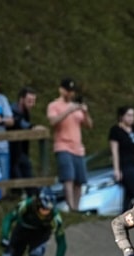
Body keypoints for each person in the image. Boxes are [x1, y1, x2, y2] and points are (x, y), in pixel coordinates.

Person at [47, 78, 92, 212]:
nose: (70, 94)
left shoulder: (76, 106)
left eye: (72, 91)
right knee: (68, 177)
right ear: (61, 90)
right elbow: (53, 121)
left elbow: (89, 125)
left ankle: (76, 208)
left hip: (78, 148)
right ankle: (70, 206)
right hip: (63, 146)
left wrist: (85, 111)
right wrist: (68, 111)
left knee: (79, 180)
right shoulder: (54, 105)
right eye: (68, 90)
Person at [8, 87, 44, 196]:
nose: (32, 104)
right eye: (29, 101)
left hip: (20, 149)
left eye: (33, 101)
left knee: (27, 170)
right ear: (21, 99)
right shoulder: (12, 110)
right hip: (11, 149)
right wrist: (32, 127)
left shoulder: (26, 112)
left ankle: (33, 196)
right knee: (18, 173)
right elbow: (18, 122)